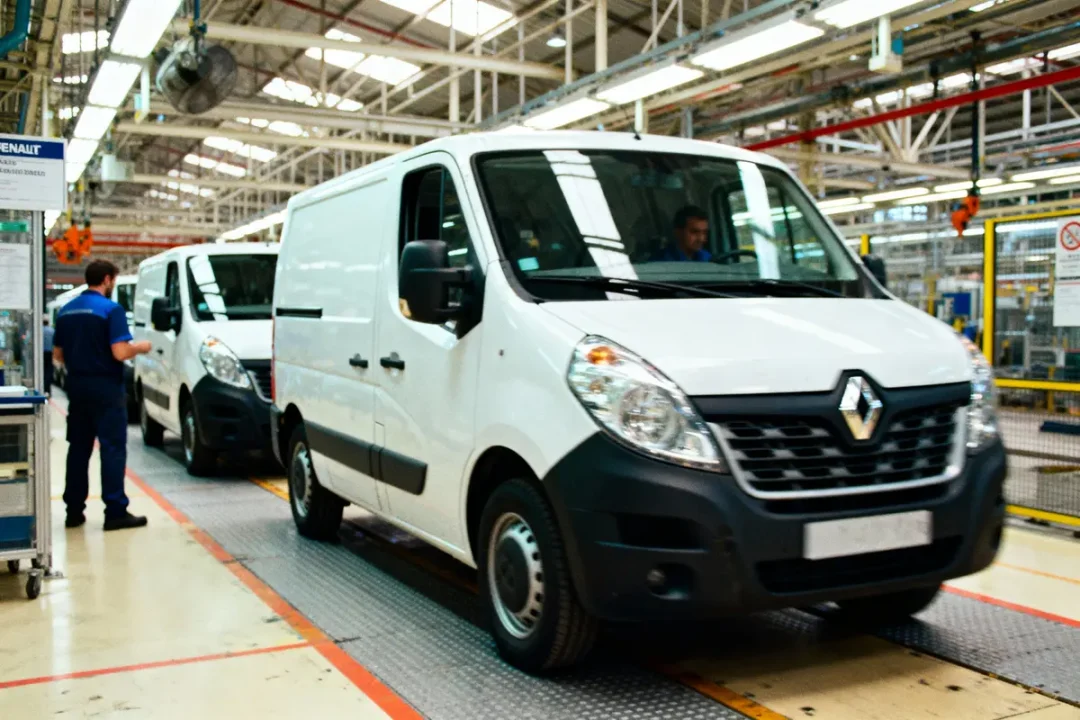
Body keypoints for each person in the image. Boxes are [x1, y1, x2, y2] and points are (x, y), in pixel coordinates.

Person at [53, 260, 153, 531]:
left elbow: (58, 357)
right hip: (106, 390)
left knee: (78, 449)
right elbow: (120, 352)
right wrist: (140, 347)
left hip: (77, 388)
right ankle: (115, 511)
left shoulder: (66, 311)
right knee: (112, 450)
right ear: (107, 280)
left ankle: (74, 511)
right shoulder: (112, 309)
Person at [42, 317, 54, 395]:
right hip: (50, 353)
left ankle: (41, 388)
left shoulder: (39, 330)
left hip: (41, 354)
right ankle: (48, 390)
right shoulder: (52, 331)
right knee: (49, 372)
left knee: (41, 371)